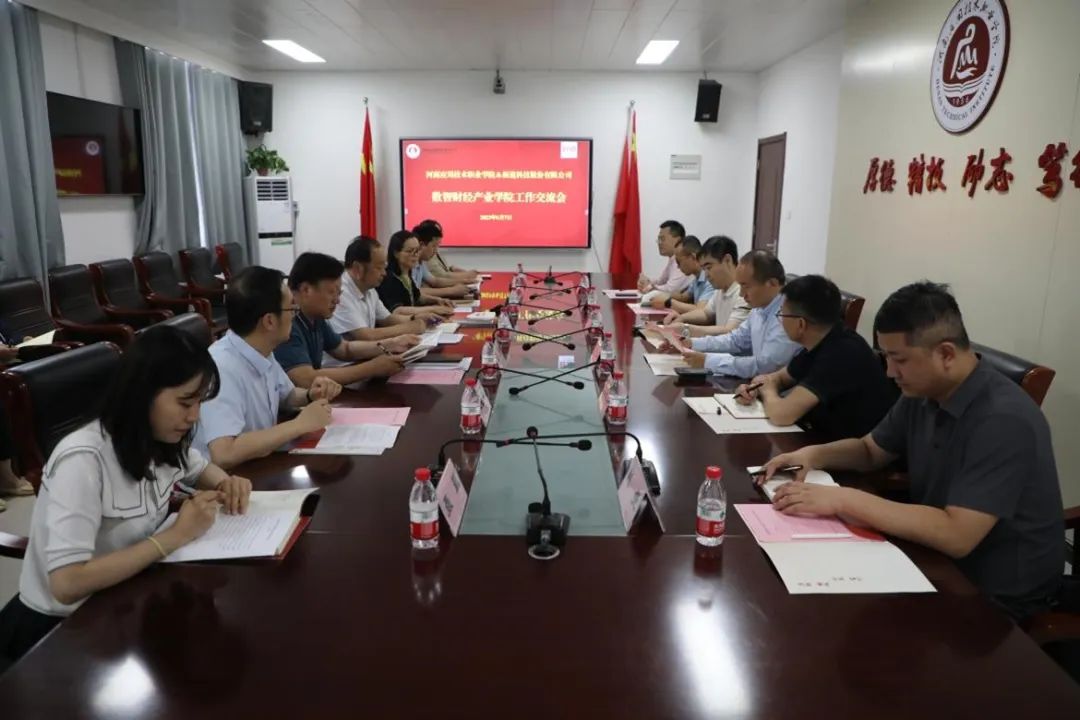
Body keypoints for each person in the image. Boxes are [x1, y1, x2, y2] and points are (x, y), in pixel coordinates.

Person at [763, 282, 1064, 622]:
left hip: (993, 591)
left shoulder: (1003, 418)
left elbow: (957, 534)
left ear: (946, 354)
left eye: (899, 359)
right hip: (934, 559)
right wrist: (812, 455)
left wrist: (843, 500)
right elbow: (870, 450)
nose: (890, 372)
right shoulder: (923, 392)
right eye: (886, 357)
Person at [0, 325, 254, 667]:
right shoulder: (83, 460)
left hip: (128, 603)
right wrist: (174, 536)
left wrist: (228, 482)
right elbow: (67, 583)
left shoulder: (160, 437)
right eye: (184, 402)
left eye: (199, 403)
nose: (194, 416)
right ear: (143, 393)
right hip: (61, 631)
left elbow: (199, 470)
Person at [194, 266, 342, 469]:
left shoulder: (261, 348)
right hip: (227, 479)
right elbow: (223, 453)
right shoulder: (221, 367)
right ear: (270, 321)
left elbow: (286, 395)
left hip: (259, 465)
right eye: (291, 309)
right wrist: (300, 425)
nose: (295, 316)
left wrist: (310, 394)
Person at [733, 274, 898, 440]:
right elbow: (780, 378)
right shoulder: (822, 338)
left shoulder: (842, 353)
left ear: (800, 324)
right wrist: (754, 388)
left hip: (851, 449)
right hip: (820, 436)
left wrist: (767, 391)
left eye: (781, 314)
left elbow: (782, 415)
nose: (780, 321)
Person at [276, 252, 412, 388]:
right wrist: (372, 368)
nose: (337, 300)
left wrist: (392, 344)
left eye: (339, 293)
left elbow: (344, 349)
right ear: (306, 290)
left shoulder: (315, 317)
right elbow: (305, 378)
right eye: (332, 292)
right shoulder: (287, 321)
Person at [681, 250, 800, 378]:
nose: (741, 294)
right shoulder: (759, 308)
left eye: (746, 286)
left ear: (772, 283)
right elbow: (736, 339)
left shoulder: (788, 315)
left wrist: (708, 361)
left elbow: (765, 366)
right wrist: (692, 343)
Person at [331, 235, 442, 342]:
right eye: (379, 267)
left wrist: (416, 318)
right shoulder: (341, 293)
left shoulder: (369, 289)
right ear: (358, 268)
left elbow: (387, 319)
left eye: (384, 267)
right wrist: (409, 327)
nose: (384, 273)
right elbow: (366, 335)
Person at [662, 235, 749, 336]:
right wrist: (681, 318)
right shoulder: (720, 290)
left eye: (709, 267)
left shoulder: (744, 293)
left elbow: (730, 332)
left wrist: (686, 329)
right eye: (704, 269)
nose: (706, 274)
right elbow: (706, 313)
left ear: (727, 260)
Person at [377, 230, 457, 316]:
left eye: (417, 250)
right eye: (410, 251)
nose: (415, 255)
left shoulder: (406, 273)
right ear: (396, 253)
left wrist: (438, 300)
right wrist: (433, 309)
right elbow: (398, 310)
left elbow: (417, 297)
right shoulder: (389, 278)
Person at [647, 236, 715, 315]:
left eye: (679, 262)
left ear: (693, 257)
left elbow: (701, 310)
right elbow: (684, 297)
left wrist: (668, 302)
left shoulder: (710, 279)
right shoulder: (697, 278)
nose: (678, 267)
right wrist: (660, 295)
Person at [412, 223, 475, 299]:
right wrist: (451, 291)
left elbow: (435, 281)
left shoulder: (421, 262)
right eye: (433, 246)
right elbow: (414, 291)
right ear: (422, 245)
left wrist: (464, 282)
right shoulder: (410, 263)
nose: (435, 251)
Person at [637, 220, 690, 295]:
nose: (659, 243)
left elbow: (670, 290)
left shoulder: (683, 260)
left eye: (662, 239)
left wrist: (648, 287)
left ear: (678, 240)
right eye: (659, 239)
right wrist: (647, 281)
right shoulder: (672, 259)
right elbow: (660, 282)